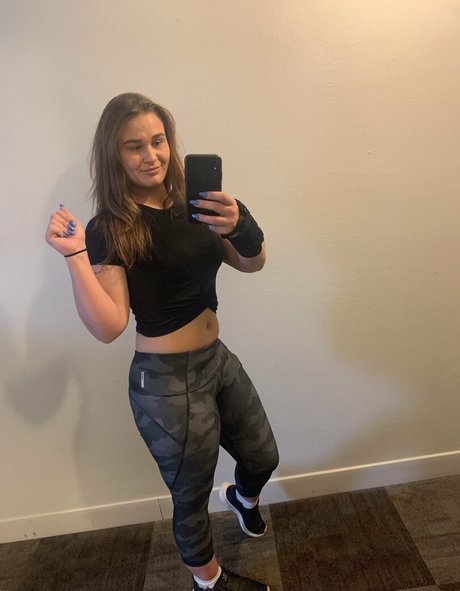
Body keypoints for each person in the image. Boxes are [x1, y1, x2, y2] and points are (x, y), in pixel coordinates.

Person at [45, 93, 279, 591]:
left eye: (158, 141)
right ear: (114, 155)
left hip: (217, 360)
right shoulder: (111, 227)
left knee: (263, 456)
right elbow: (109, 326)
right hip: (167, 384)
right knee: (190, 494)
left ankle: (242, 499)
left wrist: (241, 225)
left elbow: (252, 263)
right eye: (135, 146)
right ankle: (209, 582)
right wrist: (75, 256)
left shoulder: (197, 206)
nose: (151, 155)